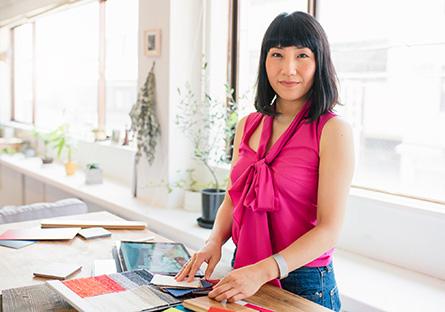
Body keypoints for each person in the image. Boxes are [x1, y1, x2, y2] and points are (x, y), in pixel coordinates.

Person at [175, 11, 354, 311]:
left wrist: (263, 271)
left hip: (304, 280)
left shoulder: (333, 131)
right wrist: (215, 241)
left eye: (302, 56)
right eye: (277, 54)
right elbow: (234, 198)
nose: (289, 69)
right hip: (243, 269)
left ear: (319, 61)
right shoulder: (248, 125)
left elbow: (329, 230)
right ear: (264, 60)